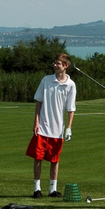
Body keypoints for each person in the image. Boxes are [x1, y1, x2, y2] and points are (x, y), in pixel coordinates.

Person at [26, 53, 76, 199]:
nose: (55, 65)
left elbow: (71, 108)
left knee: (55, 160)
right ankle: (37, 188)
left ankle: (52, 189)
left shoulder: (70, 85)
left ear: (65, 66)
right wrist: (36, 121)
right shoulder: (46, 80)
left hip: (57, 129)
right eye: (54, 63)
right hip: (43, 126)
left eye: (58, 63)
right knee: (38, 157)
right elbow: (39, 101)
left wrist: (69, 127)